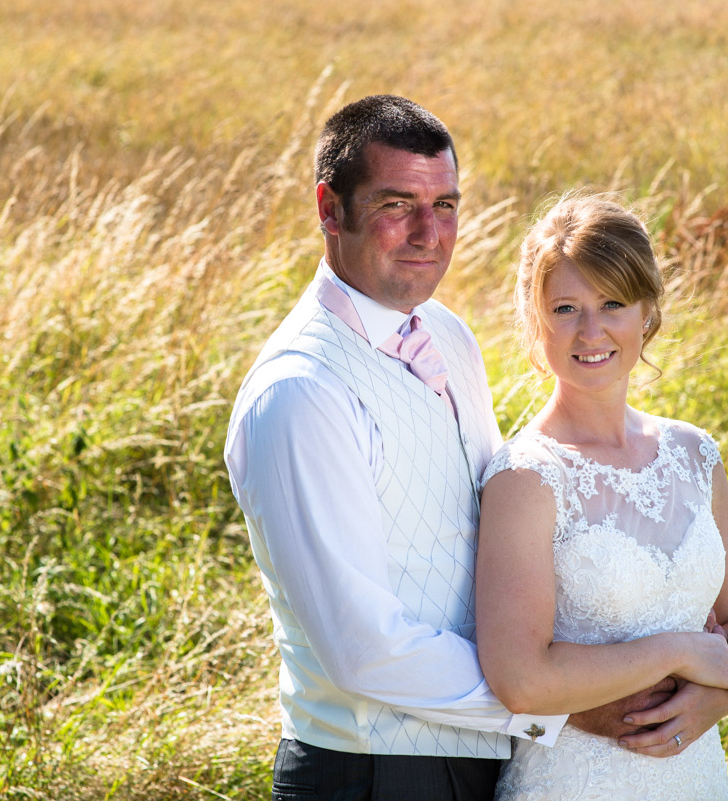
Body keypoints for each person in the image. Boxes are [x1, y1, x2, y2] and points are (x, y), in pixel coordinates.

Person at [225, 95, 572, 800]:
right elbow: (363, 648)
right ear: (329, 209)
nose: (428, 232)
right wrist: (554, 700)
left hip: (491, 752)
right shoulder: (301, 391)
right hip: (374, 772)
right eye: (397, 204)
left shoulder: (447, 334)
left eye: (445, 205)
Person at [476, 193, 728, 799]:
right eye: (565, 308)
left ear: (647, 314)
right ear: (536, 323)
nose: (591, 330)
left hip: (698, 778)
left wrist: (715, 697)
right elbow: (521, 683)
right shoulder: (525, 478)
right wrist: (679, 651)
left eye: (612, 303)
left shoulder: (694, 454)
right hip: (574, 782)